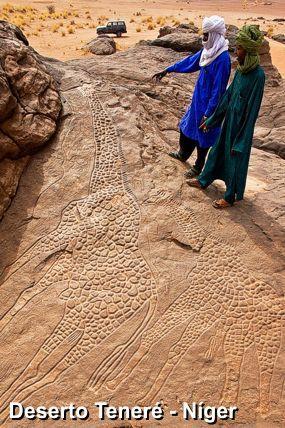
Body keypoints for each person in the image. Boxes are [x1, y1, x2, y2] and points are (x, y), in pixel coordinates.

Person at [187, 25, 265, 209]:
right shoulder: (241, 70)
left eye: (239, 49)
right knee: (217, 151)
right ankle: (204, 180)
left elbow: (252, 110)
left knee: (234, 160)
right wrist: (212, 120)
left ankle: (230, 197)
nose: (236, 52)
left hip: (240, 127)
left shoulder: (258, 76)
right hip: (229, 121)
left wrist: (242, 139)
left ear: (248, 51)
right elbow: (228, 97)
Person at [153, 16, 231, 179]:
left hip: (209, 105)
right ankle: (183, 154)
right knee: (186, 127)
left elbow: (218, 90)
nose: (203, 38)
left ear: (214, 35)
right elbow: (190, 62)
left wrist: (209, 113)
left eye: (205, 35)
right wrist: (168, 69)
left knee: (204, 135)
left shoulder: (223, 59)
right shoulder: (207, 52)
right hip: (198, 100)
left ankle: (198, 167)